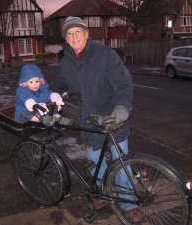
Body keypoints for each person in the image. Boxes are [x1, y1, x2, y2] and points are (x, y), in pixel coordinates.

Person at [52, 16, 141, 222]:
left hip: (113, 118)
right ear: (66, 38)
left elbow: (123, 84)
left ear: (86, 34)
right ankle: (102, 194)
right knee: (94, 161)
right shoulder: (66, 62)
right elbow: (59, 86)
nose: (74, 37)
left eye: (77, 32)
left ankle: (128, 203)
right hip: (88, 121)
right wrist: (37, 92)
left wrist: (122, 108)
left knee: (122, 163)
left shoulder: (106, 55)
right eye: (69, 34)